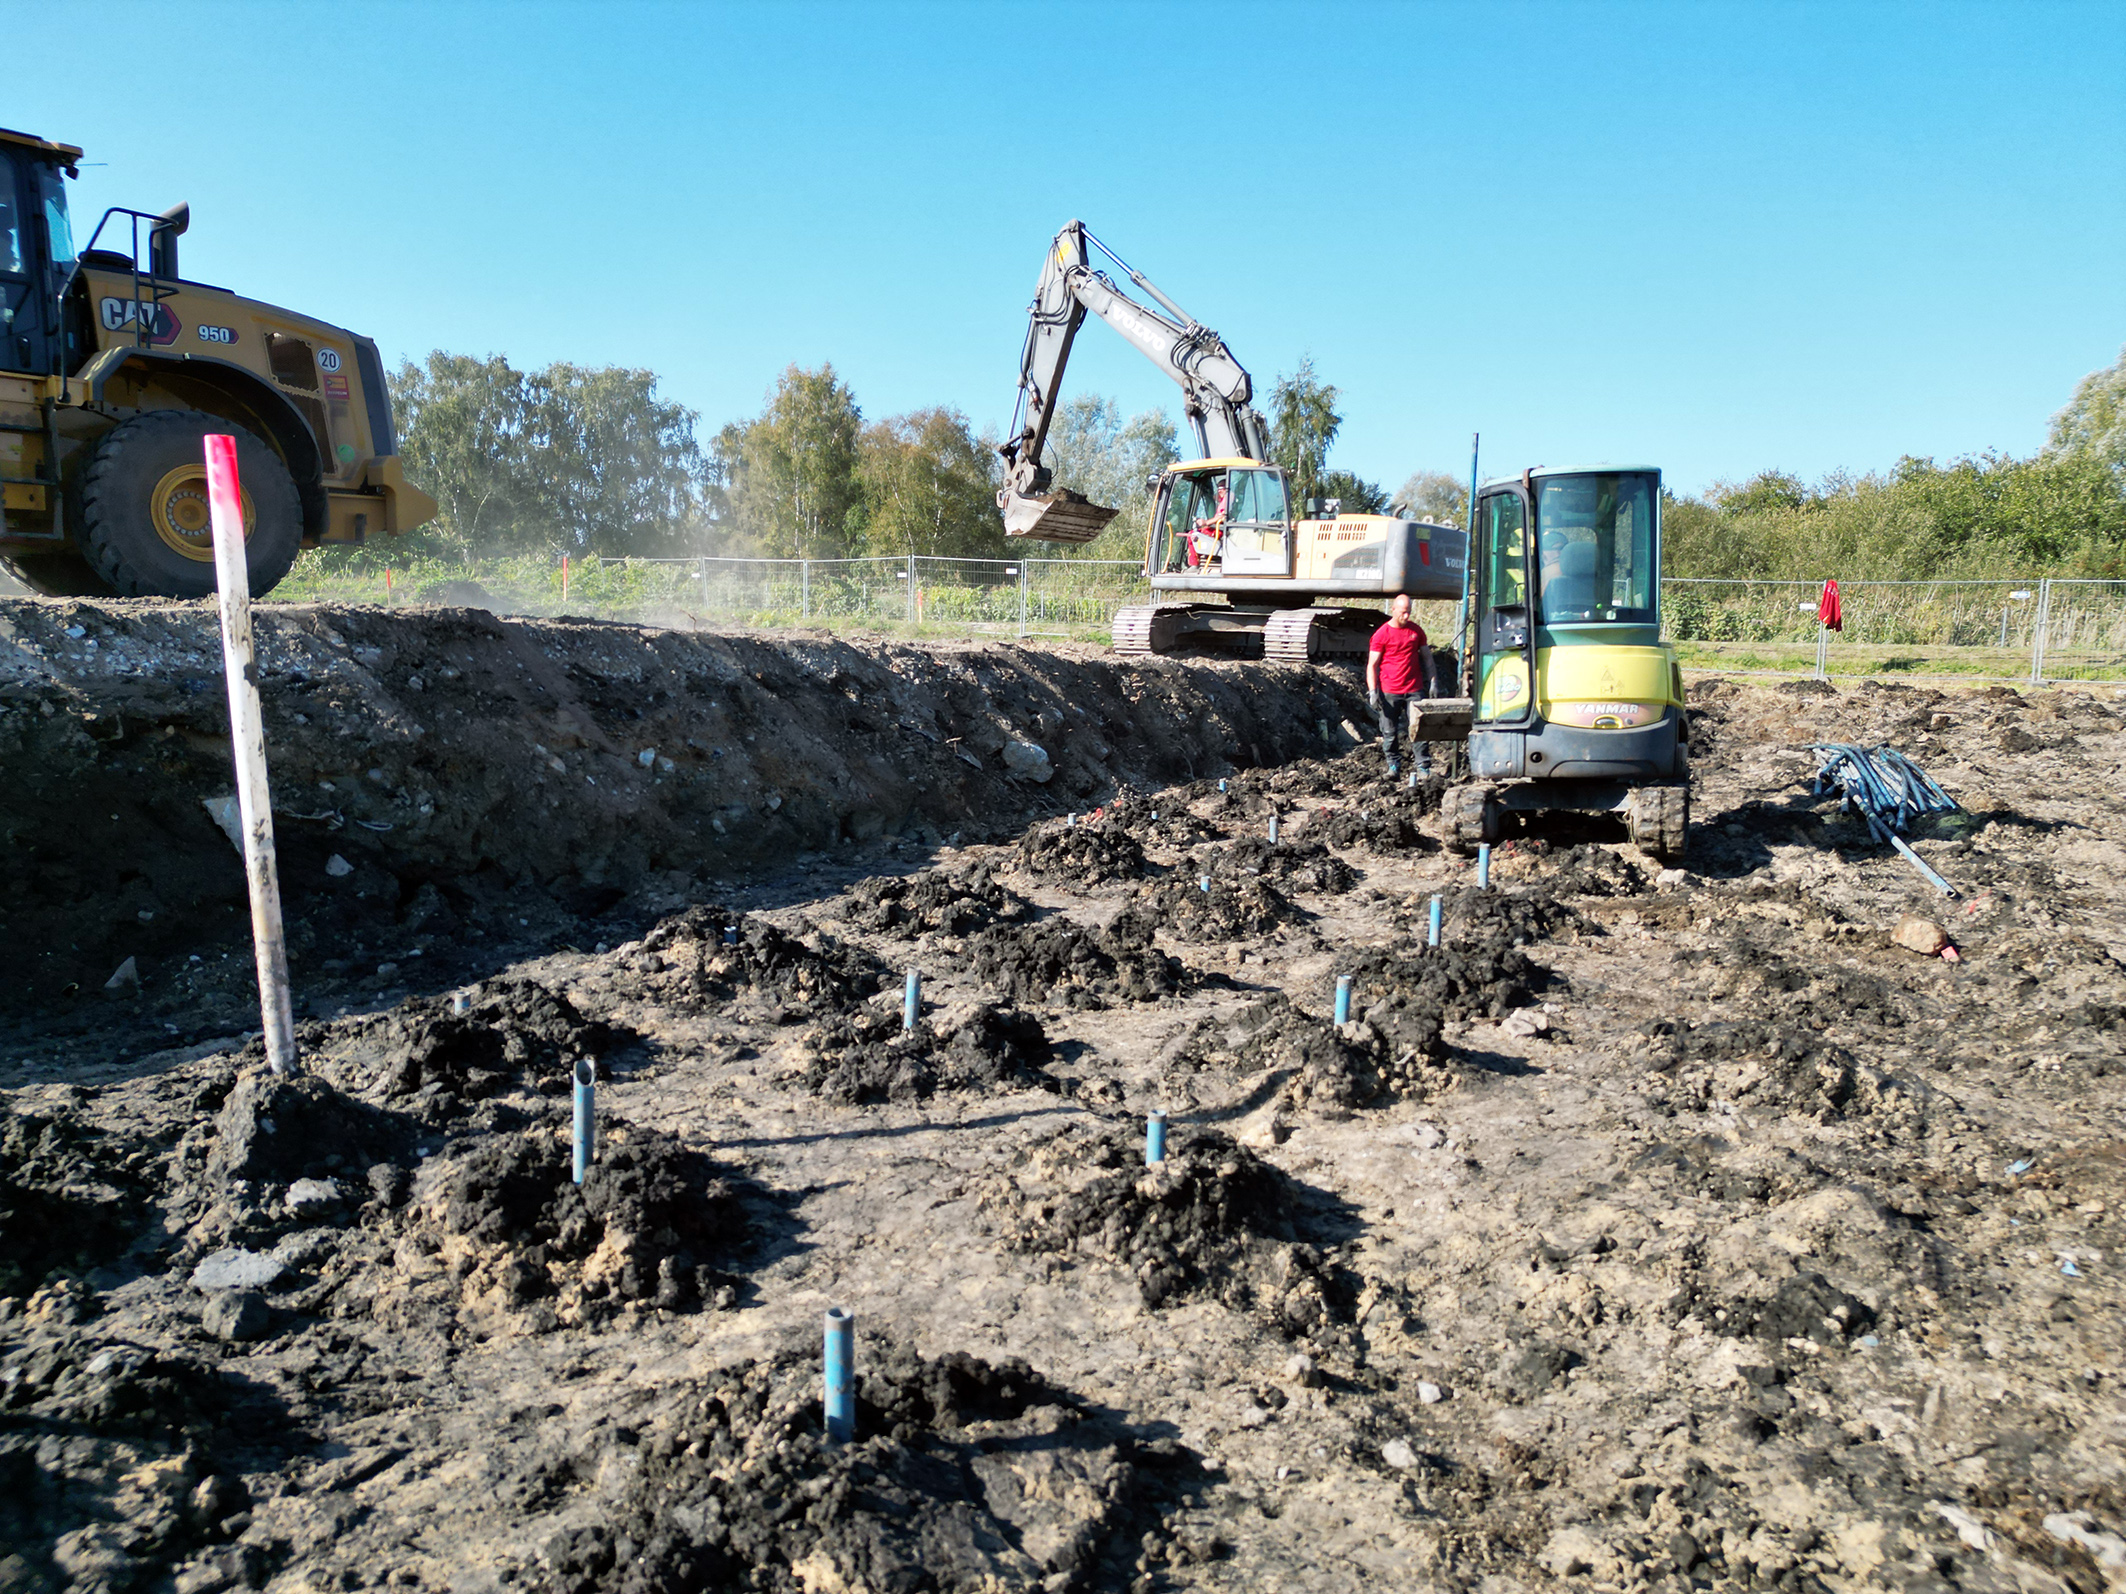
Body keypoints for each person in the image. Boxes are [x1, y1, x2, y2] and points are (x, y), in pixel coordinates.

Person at [1367, 594, 1436, 778]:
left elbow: (1427, 658)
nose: (1406, 617)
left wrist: (1434, 681)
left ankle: (1423, 767)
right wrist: (1373, 691)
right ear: (1394, 610)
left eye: (1409, 613)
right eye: (1403, 613)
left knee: (1419, 728)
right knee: (1389, 732)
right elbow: (1372, 665)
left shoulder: (1416, 632)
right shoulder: (1382, 634)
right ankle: (1393, 766)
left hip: (1414, 689)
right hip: (1390, 691)